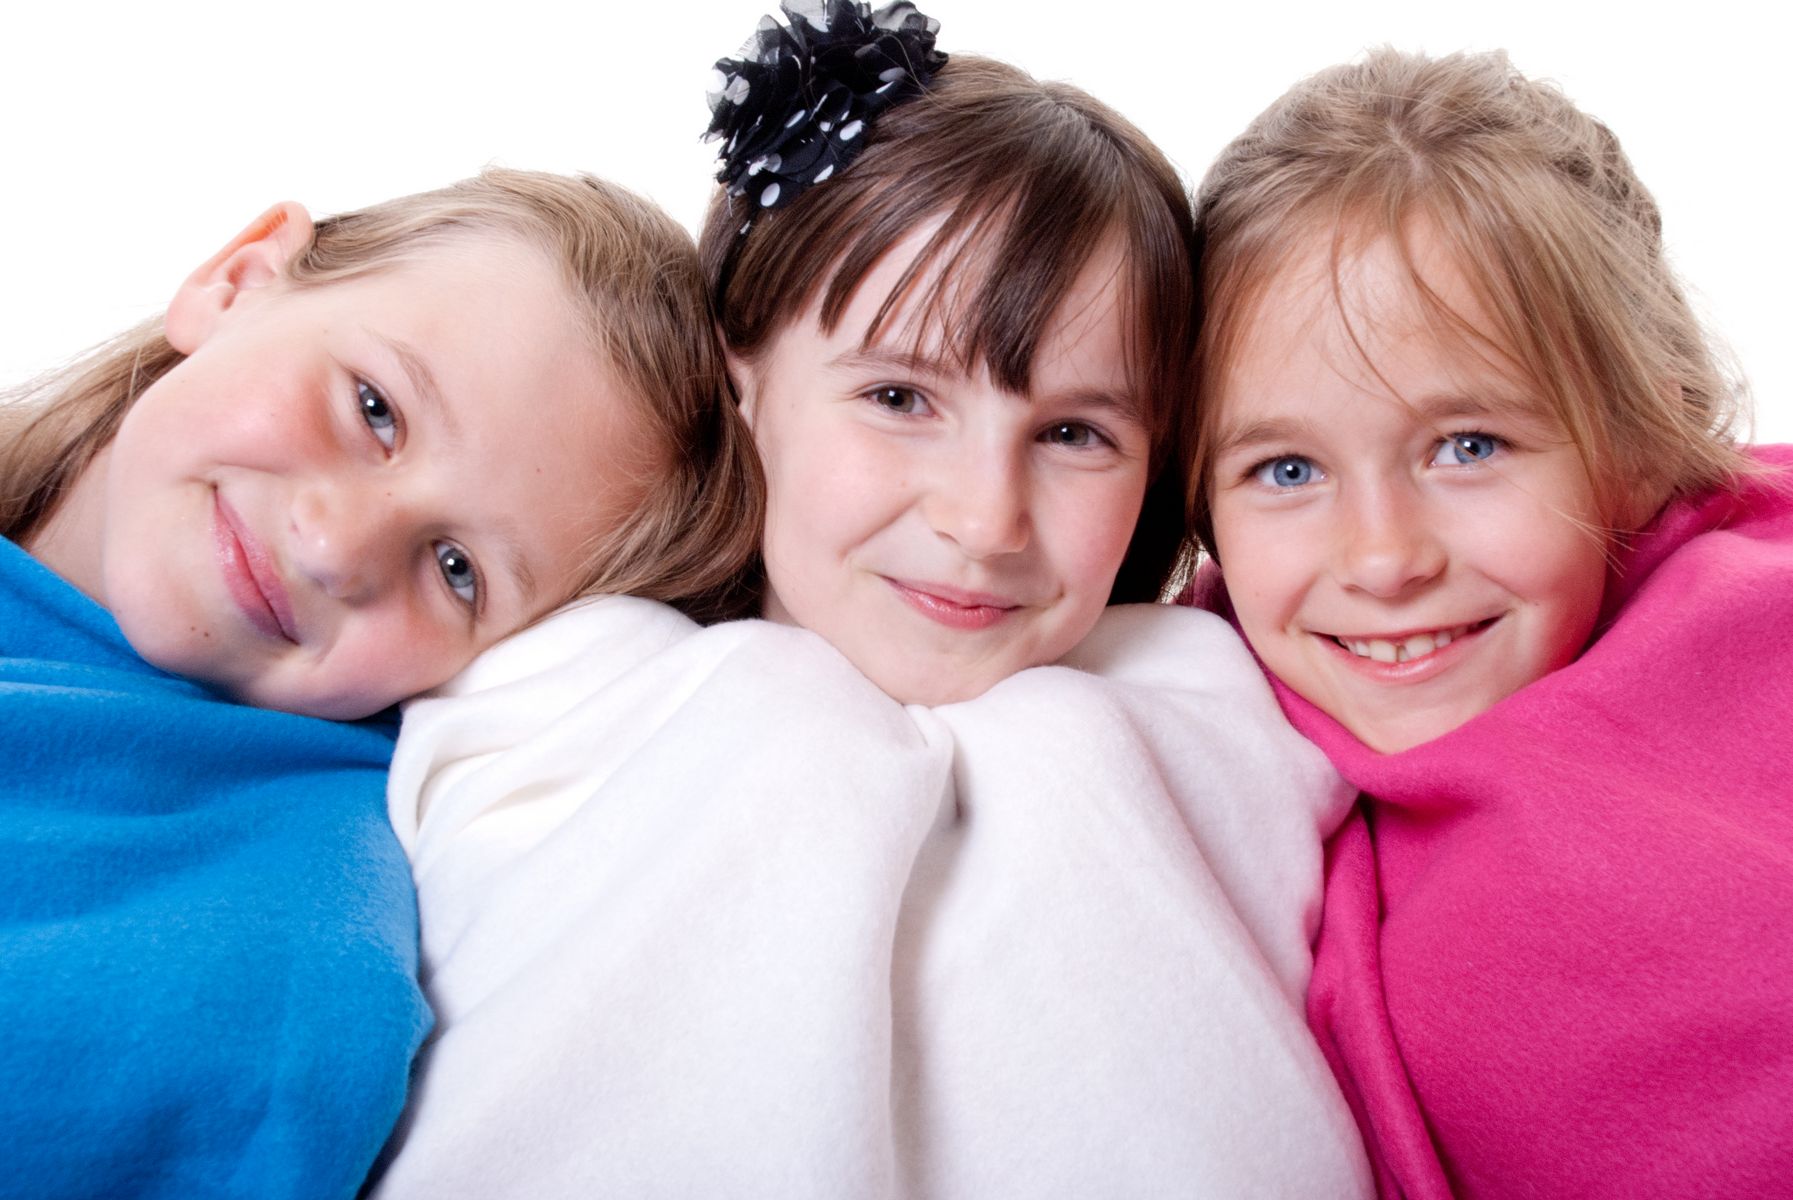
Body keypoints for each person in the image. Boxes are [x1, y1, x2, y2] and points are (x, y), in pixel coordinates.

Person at [371, 4, 1371, 1197]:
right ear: (741, 381)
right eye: (899, 399)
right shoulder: (559, 679)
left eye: (1072, 434)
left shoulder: (1222, 701)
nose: (984, 520)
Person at [0, 168, 759, 1199]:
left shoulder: (263, 976)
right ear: (237, 277)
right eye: (375, 408)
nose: (334, 547)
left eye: (457, 571)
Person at [1184, 48, 1793, 1198]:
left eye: (1466, 447)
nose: (1382, 560)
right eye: (1285, 470)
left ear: (1635, 445)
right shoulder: (1189, 719)